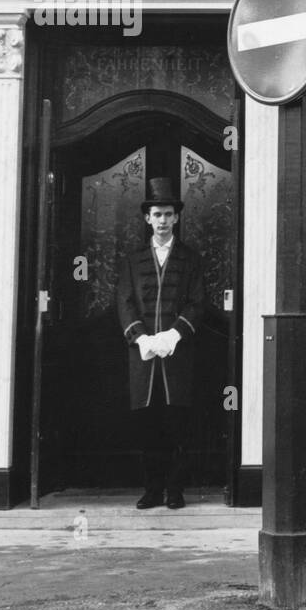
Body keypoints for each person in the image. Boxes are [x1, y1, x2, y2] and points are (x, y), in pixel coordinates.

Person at [116, 178, 206, 510]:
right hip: (143, 358)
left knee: (177, 426)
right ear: (147, 218)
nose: (163, 221)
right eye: (157, 214)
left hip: (177, 356)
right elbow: (123, 302)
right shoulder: (132, 259)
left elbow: (197, 303)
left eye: (169, 214)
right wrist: (140, 337)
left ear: (177, 218)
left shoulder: (191, 258)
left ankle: (175, 490)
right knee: (148, 429)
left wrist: (173, 335)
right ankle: (152, 490)